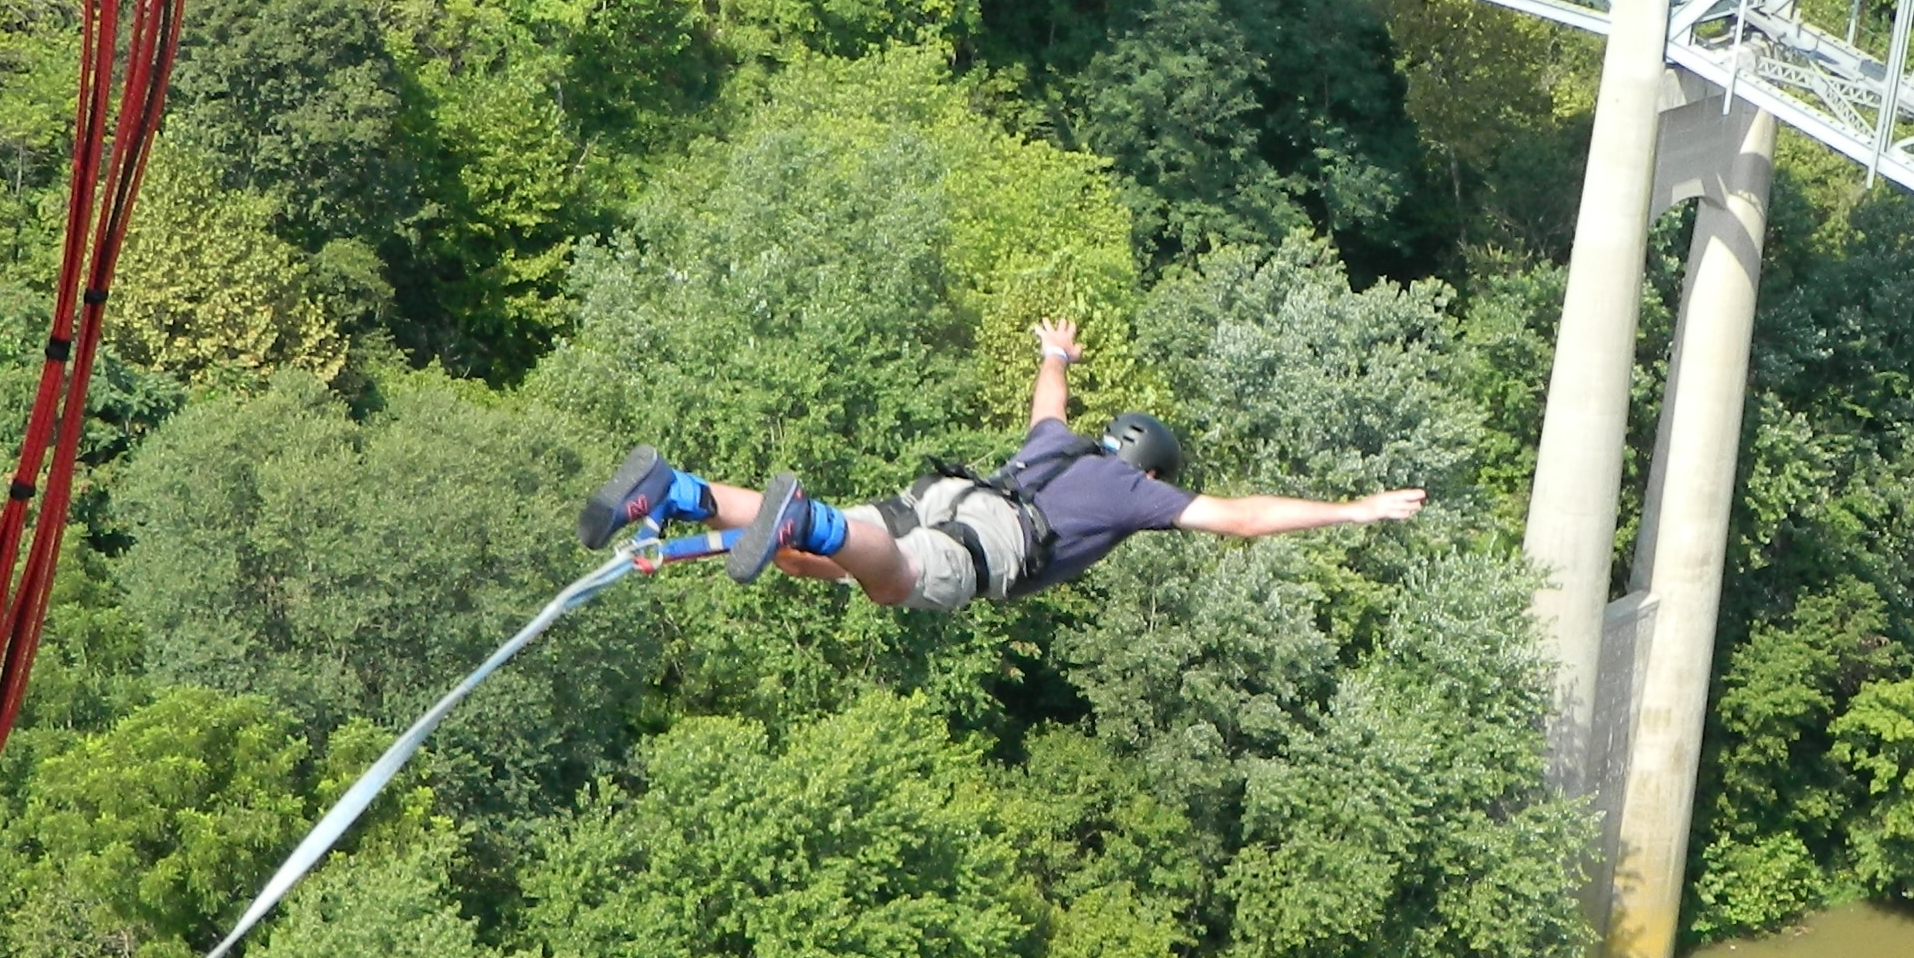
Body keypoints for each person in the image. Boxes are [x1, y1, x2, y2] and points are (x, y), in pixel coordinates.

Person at [579, 317, 1430, 611]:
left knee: (822, 565)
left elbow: (1047, 399)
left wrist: (1057, 352)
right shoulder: (1134, 492)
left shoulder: (1062, 446)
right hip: (984, 539)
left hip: (947, 494)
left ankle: (681, 494)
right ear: (1157, 472)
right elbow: (1243, 518)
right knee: (895, 580)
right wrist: (1351, 509)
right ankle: (810, 521)